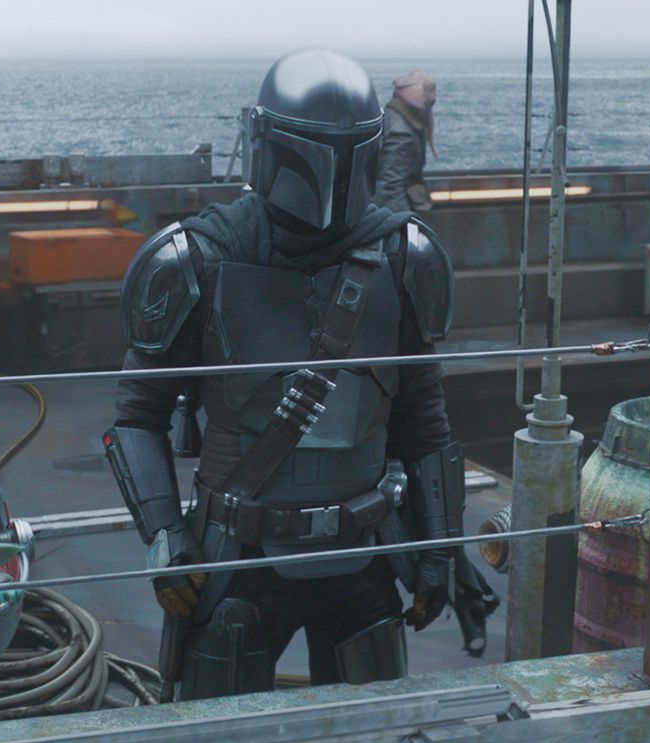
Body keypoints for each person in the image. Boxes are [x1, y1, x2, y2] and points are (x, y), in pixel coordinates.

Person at [104, 49, 463, 701]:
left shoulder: (401, 254)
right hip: (238, 554)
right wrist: (166, 537)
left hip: (360, 551)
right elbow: (136, 417)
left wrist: (438, 549)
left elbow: (421, 415)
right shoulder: (199, 257)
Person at [372, 70, 437, 213]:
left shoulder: (390, 118)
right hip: (394, 210)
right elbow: (391, 186)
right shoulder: (402, 133)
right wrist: (406, 224)